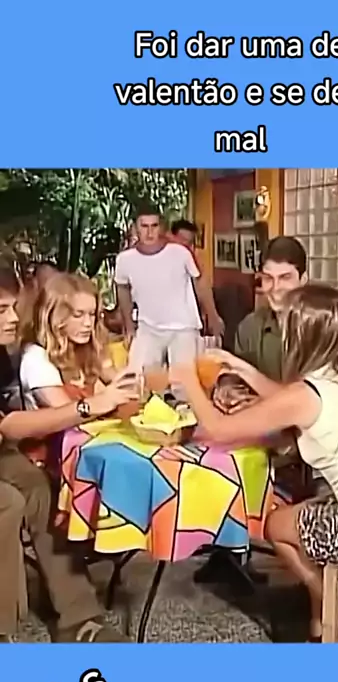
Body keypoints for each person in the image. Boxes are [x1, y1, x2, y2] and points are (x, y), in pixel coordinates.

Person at [169, 284, 338, 642]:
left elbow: (218, 429)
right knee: (305, 510)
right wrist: (242, 369)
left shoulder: (307, 393)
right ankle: (326, 621)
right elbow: (289, 403)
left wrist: (189, 381)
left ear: (301, 336)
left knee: (276, 524)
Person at [0, 266, 139, 642]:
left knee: (38, 490)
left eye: (14, 307)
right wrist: (93, 405)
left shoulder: (6, 355)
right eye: (2, 310)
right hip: (44, 450)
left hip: (17, 450)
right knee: (19, 496)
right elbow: (16, 425)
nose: (14, 318)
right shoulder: (35, 357)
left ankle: (79, 619)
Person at [115, 204, 223, 375]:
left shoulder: (180, 252)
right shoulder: (125, 259)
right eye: (144, 226)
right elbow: (122, 289)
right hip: (147, 327)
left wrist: (213, 316)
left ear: (161, 227)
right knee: (137, 376)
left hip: (183, 327)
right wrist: (128, 326)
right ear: (135, 228)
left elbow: (200, 283)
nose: (149, 232)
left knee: (184, 381)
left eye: (154, 226)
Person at [19, 272, 116, 410]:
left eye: (92, 314)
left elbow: (113, 384)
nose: (88, 323)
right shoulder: (36, 357)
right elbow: (65, 410)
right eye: (78, 315)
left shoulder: (85, 349)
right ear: (54, 316)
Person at [234, 236, 307, 382]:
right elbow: (238, 380)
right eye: (268, 278)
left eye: (285, 278)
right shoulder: (249, 327)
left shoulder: (324, 329)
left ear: (303, 280)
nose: (276, 288)